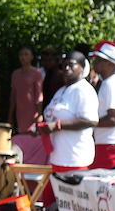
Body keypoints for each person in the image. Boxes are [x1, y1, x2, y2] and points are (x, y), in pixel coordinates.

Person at [35, 50, 98, 202]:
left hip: (75, 157)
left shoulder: (84, 90)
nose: (67, 69)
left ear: (82, 68)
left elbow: (91, 120)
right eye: (64, 66)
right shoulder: (63, 90)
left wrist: (57, 126)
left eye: (71, 65)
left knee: (71, 204)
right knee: (52, 203)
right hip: (59, 157)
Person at [10, 47, 45, 135]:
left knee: (31, 134)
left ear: (32, 57)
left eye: (26, 54)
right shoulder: (15, 74)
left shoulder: (36, 73)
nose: (23, 57)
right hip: (20, 110)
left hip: (32, 110)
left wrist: (39, 114)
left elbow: (38, 94)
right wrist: (10, 116)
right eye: (21, 54)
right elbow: (13, 95)